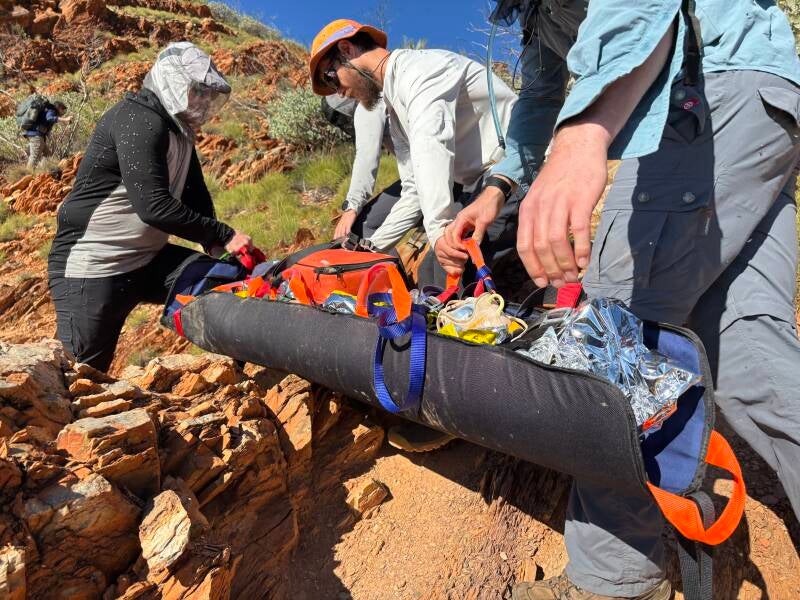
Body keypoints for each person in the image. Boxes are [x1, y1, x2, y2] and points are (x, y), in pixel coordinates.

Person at [444, 1, 800, 599]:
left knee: (613, 339)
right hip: (766, 108)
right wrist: (496, 190)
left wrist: (584, 132)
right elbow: (539, 97)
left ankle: (612, 578)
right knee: (746, 346)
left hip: (701, 98)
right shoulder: (535, 18)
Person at [48, 41, 253, 373]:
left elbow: (195, 195)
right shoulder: (138, 119)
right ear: (172, 80)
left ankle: (249, 375)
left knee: (225, 280)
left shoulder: (180, 132)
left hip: (147, 259)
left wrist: (214, 244)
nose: (203, 101)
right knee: (80, 375)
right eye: (197, 91)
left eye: (207, 94)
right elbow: (154, 206)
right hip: (94, 265)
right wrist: (225, 234)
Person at [309, 19, 530, 287]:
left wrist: (438, 232)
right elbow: (413, 189)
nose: (339, 93)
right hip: (480, 186)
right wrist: (370, 249)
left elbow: (432, 142)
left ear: (347, 49)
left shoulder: (419, 70)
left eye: (330, 77)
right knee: (430, 277)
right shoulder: (395, 109)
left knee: (453, 272)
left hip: (516, 173)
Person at [323, 93, 402, 241]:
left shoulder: (368, 107)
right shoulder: (387, 92)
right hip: (437, 171)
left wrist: (351, 207)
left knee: (362, 227)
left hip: (426, 180)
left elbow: (366, 157)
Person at [23, 99, 71, 169]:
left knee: (47, 154)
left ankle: (43, 170)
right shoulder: (51, 110)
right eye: (62, 109)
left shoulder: (48, 110)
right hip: (36, 135)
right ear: (59, 107)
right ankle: (28, 173)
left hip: (36, 135)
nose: (63, 112)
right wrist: (65, 119)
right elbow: (50, 118)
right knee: (35, 156)